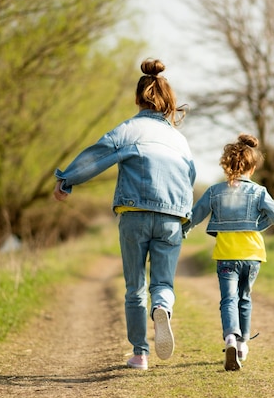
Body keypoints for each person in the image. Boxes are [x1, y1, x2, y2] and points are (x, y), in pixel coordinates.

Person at [53, 59, 196, 371]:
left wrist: (67, 180)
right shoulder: (180, 141)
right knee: (163, 284)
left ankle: (140, 353)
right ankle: (162, 307)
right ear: (168, 99)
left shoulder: (129, 130)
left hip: (134, 216)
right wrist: (185, 219)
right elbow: (190, 177)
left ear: (137, 98)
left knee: (134, 287)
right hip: (171, 216)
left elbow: (98, 155)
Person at [183, 134, 274, 371]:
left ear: (226, 164)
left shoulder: (214, 191)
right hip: (252, 256)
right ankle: (242, 344)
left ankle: (230, 337)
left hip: (226, 255)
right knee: (245, 298)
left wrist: (181, 231)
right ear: (253, 166)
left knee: (228, 299)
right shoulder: (259, 192)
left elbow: (195, 214)